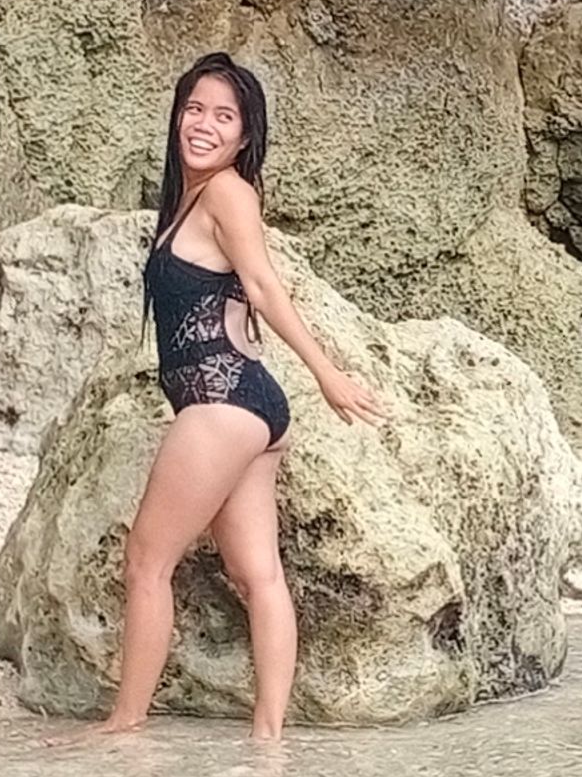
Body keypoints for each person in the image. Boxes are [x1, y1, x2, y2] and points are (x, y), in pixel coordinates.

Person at [90, 53, 385, 741]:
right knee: (257, 577)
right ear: (176, 115)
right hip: (250, 404)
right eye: (194, 108)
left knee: (146, 563)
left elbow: (262, 286)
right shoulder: (191, 200)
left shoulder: (226, 191)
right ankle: (267, 741)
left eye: (224, 116)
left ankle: (124, 726)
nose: (204, 124)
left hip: (221, 399)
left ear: (245, 135)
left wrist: (327, 372)